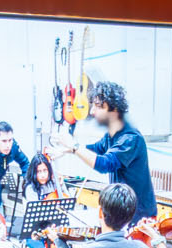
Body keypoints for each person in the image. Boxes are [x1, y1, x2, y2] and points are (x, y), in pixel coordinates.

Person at [58, 82, 157, 225]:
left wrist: (74, 147)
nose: (92, 111)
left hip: (139, 217)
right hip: (124, 211)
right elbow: (96, 148)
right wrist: (67, 150)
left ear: (114, 109)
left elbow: (104, 164)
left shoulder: (130, 139)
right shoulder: (112, 135)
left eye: (98, 106)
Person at [20, 154, 69, 248]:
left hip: (53, 230)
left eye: (45, 171)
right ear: (33, 172)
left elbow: (67, 203)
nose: (42, 175)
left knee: (67, 246)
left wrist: (61, 185)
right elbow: (37, 215)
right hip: (34, 231)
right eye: (39, 171)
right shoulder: (30, 188)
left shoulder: (54, 184)